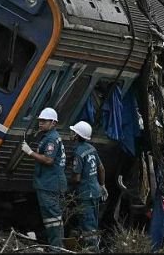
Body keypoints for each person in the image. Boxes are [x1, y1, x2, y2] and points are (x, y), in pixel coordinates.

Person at [20, 107, 67, 251]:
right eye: (40, 121)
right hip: (48, 182)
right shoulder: (49, 136)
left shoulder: (52, 138)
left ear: (53, 123)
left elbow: (48, 160)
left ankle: (56, 249)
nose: (40, 123)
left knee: (53, 218)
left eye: (44, 121)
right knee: (51, 218)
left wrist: (29, 152)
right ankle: (55, 246)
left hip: (50, 183)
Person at [68, 121, 107, 252]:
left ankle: (92, 250)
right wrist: (102, 185)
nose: (71, 134)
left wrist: (68, 183)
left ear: (77, 135)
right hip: (95, 191)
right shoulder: (92, 148)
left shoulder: (78, 153)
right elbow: (101, 168)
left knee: (88, 226)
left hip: (85, 194)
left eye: (73, 132)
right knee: (91, 223)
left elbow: (77, 177)